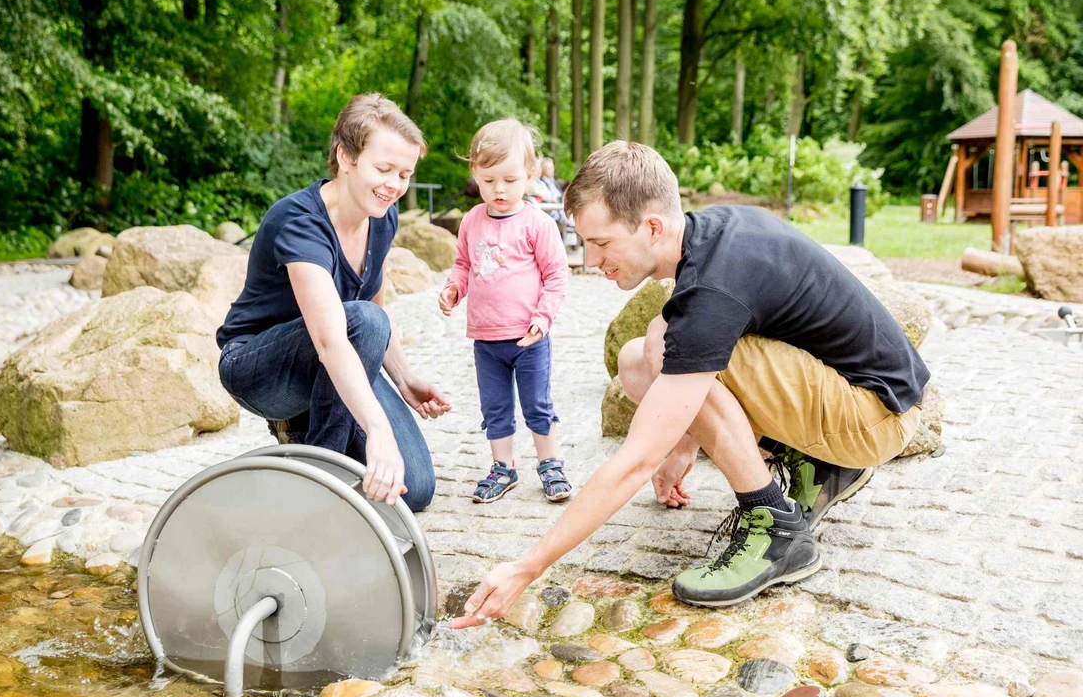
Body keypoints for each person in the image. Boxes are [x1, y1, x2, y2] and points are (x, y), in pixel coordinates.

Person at [450, 141, 928, 627]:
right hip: (854, 390)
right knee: (642, 353)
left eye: (603, 242)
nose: (593, 259)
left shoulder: (712, 289)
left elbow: (633, 462)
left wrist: (526, 568)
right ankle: (821, 466)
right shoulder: (708, 235)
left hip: (874, 416)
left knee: (673, 346)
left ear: (653, 226)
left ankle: (777, 532)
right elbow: (671, 344)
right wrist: (683, 446)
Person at [216, 93, 450, 511]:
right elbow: (331, 340)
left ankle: (317, 436)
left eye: (405, 174)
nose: (395, 185)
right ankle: (318, 482)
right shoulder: (299, 221)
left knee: (414, 489)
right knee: (363, 321)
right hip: (259, 368)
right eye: (384, 169)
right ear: (346, 157)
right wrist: (376, 430)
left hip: (338, 353)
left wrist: (405, 378)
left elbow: (373, 315)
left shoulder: (382, 217)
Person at [438, 119, 572, 504]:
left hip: (529, 337)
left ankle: (550, 463)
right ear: (475, 173)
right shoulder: (470, 222)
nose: (499, 189)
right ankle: (503, 467)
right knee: (494, 408)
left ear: (529, 175)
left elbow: (556, 275)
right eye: (489, 179)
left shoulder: (538, 224)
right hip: (486, 339)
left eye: (510, 180)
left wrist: (542, 319)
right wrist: (453, 289)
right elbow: (463, 264)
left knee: (537, 405)